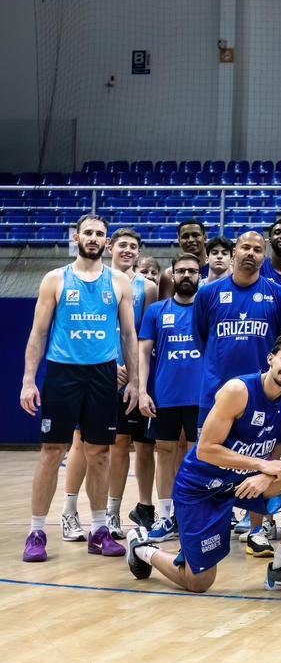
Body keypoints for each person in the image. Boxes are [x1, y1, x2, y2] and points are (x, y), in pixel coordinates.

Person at [125, 333, 281, 594]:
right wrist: (261, 465)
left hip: (243, 481)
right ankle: (142, 548)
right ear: (270, 358)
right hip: (202, 487)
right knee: (198, 582)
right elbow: (206, 449)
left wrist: (268, 474)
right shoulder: (238, 391)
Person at [20, 214, 140, 562]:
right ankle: (37, 531)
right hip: (63, 373)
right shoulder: (55, 279)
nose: (93, 238)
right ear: (76, 237)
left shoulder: (119, 281)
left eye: (99, 234)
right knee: (52, 451)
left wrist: (135, 380)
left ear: (106, 241)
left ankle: (99, 530)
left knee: (99, 453)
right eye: (88, 232)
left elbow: (129, 335)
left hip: (102, 374)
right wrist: (29, 380)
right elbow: (39, 332)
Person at [193, 230, 281, 555]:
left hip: (262, 395)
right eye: (245, 247)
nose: (251, 253)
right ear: (234, 252)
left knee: (261, 460)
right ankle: (211, 525)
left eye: (257, 249)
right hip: (216, 392)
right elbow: (201, 338)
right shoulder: (208, 294)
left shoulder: (279, 296)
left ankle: (256, 530)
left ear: (264, 257)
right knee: (210, 459)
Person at [136, 253, 204, 542]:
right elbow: (143, 354)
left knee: (198, 457)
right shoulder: (156, 311)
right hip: (165, 397)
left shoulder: (207, 310)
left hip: (201, 398)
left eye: (192, 271)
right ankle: (165, 516)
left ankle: (192, 515)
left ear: (200, 276)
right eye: (181, 271)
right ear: (172, 275)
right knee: (164, 454)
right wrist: (142, 391)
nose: (187, 275)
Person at [105, 227, 159, 535]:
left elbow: (145, 336)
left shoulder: (147, 288)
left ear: (138, 252)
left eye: (133, 246)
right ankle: (112, 512)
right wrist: (109, 365)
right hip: (105, 373)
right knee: (116, 445)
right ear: (110, 247)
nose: (127, 250)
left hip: (135, 376)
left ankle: (145, 508)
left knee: (145, 446)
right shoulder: (98, 281)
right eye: (122, 244)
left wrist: (136, 376)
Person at [158, 219, 209, 298]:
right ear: (179, 241)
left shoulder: (217, 270)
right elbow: (165, 305)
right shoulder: (169, 275)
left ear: (205, 238)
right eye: (185, 236)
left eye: (195, 235)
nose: (191, 240)